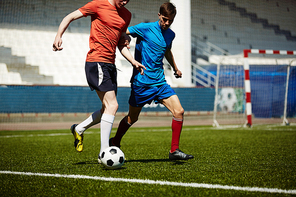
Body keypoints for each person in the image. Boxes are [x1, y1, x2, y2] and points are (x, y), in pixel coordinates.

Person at [52, 0, 145, 159]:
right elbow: (70, 17)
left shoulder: (126, 15)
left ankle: (78, 129)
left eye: (128, 0)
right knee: (112, 105)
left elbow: (121, 43)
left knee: (106, 109)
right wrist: (58, 35)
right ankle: (104, 151)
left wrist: (132, 60)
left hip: (110, 65)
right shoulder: (98, 4)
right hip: (96, 62)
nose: (124, 2)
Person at [110, 2, 194, 160]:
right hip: (141, 83)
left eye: (170, 20)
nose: (167, 23)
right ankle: (115, 141)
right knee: (132, 118)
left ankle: (174, 151)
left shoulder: (170, 34)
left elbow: (167, 50)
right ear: (159, 15)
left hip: (160, 83)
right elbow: (122, 32)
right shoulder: (145, 28)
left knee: (179, 111)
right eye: (164, 19)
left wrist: (175, 68)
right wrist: (125, 38)